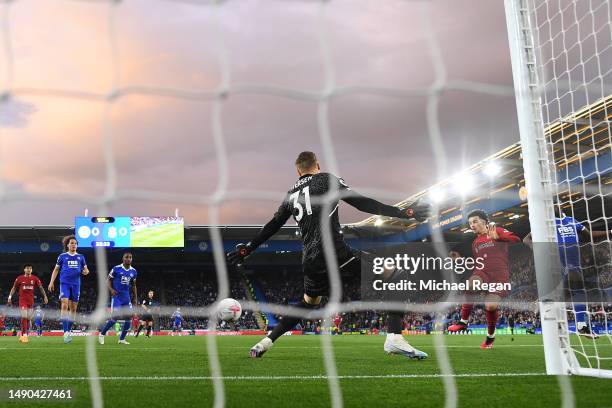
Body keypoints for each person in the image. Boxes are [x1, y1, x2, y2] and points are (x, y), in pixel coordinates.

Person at [227, 151, 431, 359]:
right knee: (396, 274)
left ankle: (264, 342)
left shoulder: (291, 195)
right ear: (317, 165)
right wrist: (404, 213)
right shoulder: (325, 180)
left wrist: (248, 248)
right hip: (335, 253)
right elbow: (361, 203)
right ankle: (394, 338)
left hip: (310, 261)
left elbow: (273, 225)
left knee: (308, 302)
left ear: (298, 171)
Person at [523, 207, 610, 339]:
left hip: (574, 265)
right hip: (559, 266)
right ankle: (581, 326)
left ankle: (543, 301)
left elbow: (589, 235)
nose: (554, 205)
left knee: (562, 296)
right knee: (579, 287)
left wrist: (609, 232)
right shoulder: (547, 223)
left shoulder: (572, 221)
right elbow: (526, 239)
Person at [447, 209, 520, 349]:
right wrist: (461, 261)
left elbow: (516, 239)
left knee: (490, 306)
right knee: (470, 284)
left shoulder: (496, 230)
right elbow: (479, 262)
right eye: (470, 223)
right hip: (483, 272)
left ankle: (490, 338)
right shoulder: (475, 243)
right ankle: (463, 322)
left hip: (500, 276)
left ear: (484, 221)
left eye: (475, 221)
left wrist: (499, 238)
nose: (472, 225)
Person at [48, 235, 89, 343]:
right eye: (71, 243)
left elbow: (86, 270)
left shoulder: (81, 257)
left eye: (75, 243)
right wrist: (51, 282)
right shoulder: (62, 256)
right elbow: (56, 270)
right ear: (67, 245)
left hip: (76, 284)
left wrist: (86, 271)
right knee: (64, 305)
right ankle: (65, 333)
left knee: (74, 310)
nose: (73, 245)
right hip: (64, 283)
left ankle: (68, 331)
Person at [98, 252, 138, 345]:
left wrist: (135, 298)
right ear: (123, 259)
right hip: (117, 297)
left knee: (129, 317)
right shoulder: (116, 269)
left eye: (130, 257)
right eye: (126, 257)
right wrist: (111, 289)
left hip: (126, 297)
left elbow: (134, 285)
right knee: (115, 317)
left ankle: (122, 339)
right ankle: (102, 334)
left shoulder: (134, 271)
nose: (128, 259)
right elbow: (107, 280)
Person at [7, 264, 48, 343]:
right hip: (22, 301)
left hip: (31, 301)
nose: (29, 270)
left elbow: (41, 288)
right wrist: (9, 297)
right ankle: (24, 335)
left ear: (31, 270)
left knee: (28, 318)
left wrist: (45, 296)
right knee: (24, 316)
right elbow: (14, 287)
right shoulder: (19, 278)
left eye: (30, 268)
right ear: (24, 270)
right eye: (27, 268)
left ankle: (23, 335)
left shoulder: (35, 278)